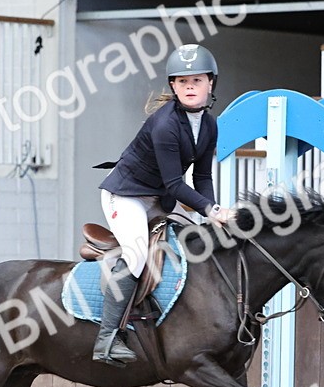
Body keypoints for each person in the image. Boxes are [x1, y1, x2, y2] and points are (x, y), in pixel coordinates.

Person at [93, 43, 234, 366]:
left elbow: (202, 176)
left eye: (196, 80)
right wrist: (213, 211)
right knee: (137, 254)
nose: (189, 87)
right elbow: (175, 184)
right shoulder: (165, 124)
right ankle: (107, 337)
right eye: (182, 81)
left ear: (211, 83)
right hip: (126, 195)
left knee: (197, 242)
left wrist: (210, 215)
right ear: (173, 85)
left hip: (158, 197)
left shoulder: (210, 125)